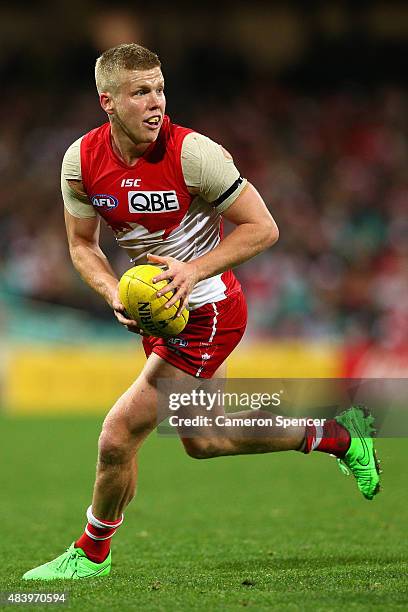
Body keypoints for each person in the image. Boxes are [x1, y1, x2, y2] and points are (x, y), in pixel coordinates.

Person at [23, 43, 380, 580]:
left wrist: (193, 271)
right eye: (140, 92)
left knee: (119, 433)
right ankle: (336, 436)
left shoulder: (195, 155)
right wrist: (112, 292)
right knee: (206, 438)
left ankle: (91, 553)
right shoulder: (80, 162)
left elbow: (264, 228)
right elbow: (82, 245)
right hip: (159, 313)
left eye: (160, 89)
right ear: (108, 101)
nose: (155, 102)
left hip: (207, 311)